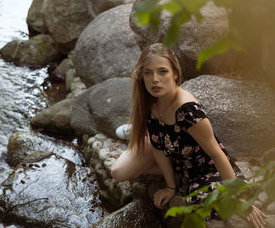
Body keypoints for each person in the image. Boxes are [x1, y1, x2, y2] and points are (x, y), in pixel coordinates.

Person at [110, 43, 266, 228]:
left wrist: (238, 197)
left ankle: (146, 139)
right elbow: (159, 149)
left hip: (203, 166)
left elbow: (217, 155)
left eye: (162, 72)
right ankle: (142, 134)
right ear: (142, 76)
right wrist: (170, 186)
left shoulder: (188, 110)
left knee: (212, 212)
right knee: (118, 172)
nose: (155, 80)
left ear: (175, 73)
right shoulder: (150, 103)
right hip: (171, 149)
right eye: (148, 73)